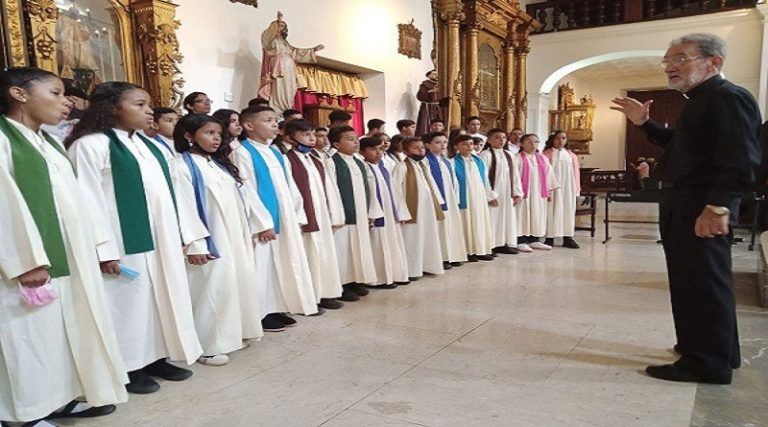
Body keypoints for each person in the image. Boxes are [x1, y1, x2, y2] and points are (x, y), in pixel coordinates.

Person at [610, 33, 761, 384]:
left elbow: (741, 157)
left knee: (703, 282)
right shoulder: (701, 99)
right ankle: (716, 350)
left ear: (714, 62)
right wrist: (643, 123)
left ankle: (706, 363)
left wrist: (719, 206)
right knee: (696, 282)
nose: (669, 66)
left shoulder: (728, 98)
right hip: (688, 201)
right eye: (667, 60)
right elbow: (681, 146)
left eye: (680, 58)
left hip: (702, 203)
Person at [0, 67, 126, 426]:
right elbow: (4, 205)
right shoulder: (4, 139)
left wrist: (96, 244)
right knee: (26, 336)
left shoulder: (49, 142)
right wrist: (25, 260)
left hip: (68, 254)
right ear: (19, 94)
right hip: (27, 263)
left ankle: (58, 398)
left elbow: (76, 199)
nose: (66, 101)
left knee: (60, 332)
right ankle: (23, 414)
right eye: (54, 93)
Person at [67, 81, 208, 394]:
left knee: (160, 299)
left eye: (148, 105)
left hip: (159, 238)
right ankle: (129, 365)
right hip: (122, 240)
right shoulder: (90, 145)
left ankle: (156, 356)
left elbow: (167, 193)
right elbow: (85, 201)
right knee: (128, 303)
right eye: (140, 105)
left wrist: (184, 234)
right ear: (112, 107)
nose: (149, 112)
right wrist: (103, 249)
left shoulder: (148, 145)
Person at [174, 114, 263, 367]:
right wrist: (196, 243)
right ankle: (209, 345)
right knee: (210, 288)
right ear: (189, 136)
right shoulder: (182, 165)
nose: (216, 138)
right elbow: (185, 207)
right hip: (209, 236)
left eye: (218, 133)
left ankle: (232, 334)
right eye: (208, 133)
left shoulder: (218, 164)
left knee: (233, 284)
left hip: (232, 234)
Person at [231, 106, 319, 331]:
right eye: (268, 120)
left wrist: (297, 214)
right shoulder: (242, 152)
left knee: (282, 263)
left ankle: (276, 306)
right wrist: (263, 223)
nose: (274, 124)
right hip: (264, 225)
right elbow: (246, 190)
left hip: (285, 217)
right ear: (249, 126)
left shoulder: (275, 152)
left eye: (275, 120)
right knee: (263, 267)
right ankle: (260, 313)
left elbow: (290, 186)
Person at [283, 119, 345, 310]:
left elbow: (329, 188)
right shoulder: (288, 159)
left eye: (313, 134)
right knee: (309, 255)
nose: (311, 139)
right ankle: (311, 297)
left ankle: (325, 293)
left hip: (321, 215)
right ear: (290, 137)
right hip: (305, 216)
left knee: (325, 255)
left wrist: (334, 215)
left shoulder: (315, 159)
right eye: (306, 135)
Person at [327, 125, 378, 300]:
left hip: (361, 214)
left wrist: (371, 212)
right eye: (349, 139)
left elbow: (368, 188)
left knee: (359, 248)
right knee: (344, 249)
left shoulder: (358, 161)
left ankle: (356, 279)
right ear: (336, 144)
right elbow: (331, 189)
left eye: (356, 138)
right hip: (344, 215)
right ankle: (343, 284)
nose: (355, 142)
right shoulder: (332, 162)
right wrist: (336, 214)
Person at [360, 136, 411, 287]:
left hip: (389, 212)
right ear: (363, 151)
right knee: (377, 244)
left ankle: (394, 274)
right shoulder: (363, 168)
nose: (378, 153)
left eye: (381, 149)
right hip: (376, 215)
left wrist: (399, 212)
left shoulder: (383, 167)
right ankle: (379, 279)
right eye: (373, 149)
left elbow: (394, 191)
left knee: (391, 242)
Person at [392, 136, 445, 279]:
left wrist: (438, 203)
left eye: (422, 147)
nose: (421, 150)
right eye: (415, 148)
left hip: (426, 208)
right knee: (412, 239)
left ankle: (426, 265)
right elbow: (395, 190)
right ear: (406, 151)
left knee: (428, 237)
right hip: (412, 210)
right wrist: (401, 211)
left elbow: (431, 185)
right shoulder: (401, 167)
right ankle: (412, 270)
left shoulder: (423, 165)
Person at [257, 11, 324, 113]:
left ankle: (286, 109)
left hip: (289, 71)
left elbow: (296, 53)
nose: (281, 28)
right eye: (279, 26)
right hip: (278, 70)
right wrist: (279, 20)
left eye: (283, 26)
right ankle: (277, 109)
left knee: (289, 90)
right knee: (279, 89)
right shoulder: (272, 41)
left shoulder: (286, 44)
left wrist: (313, 50)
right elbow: (267, 39)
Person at [424, 131, 467, 268]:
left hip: (450, 198)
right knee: (440, 229)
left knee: (450, 227)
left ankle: (451, 255)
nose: (442, 145)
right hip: (438, 200)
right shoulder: (426, 161)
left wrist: (456, 197)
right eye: (438, 142)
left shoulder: (446, 160)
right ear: (428, 145)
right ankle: (441, 258)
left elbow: (454, 180)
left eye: (444, 142)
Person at [450, 134, 496, 262]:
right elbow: (453, 183)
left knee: (480, 222)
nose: (469, 146)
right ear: (457, 147)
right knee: (467, 223)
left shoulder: (479, 161)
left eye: (471, 143)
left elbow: (485, 180)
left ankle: (481, 250)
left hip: (479, 197)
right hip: (465, 197)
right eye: (465, 144)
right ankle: (468, 251)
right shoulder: (453, 162)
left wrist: (490, 195)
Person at [479, 129, 522, 255]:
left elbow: (515, 175)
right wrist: (490, 195)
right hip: (494, 193)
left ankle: (502, 243)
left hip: (506, 193)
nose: (502, 140)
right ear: (489, 140)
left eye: (503, 137)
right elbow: (483, 177)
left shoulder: (510, 155)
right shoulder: (485, 155)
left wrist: (516, 192)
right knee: (492, 218)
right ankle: (490, 245)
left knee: (505, 218)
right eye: (497, 137)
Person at [514, 133, 558, 252]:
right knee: (522, 215)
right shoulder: (517, 158)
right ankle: (520, 240)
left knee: (537, 215)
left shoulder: (543, 158)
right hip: (524, 194)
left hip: (538, 193)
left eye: (536, 142)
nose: (533, 144)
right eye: (529, 142)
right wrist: (516, 192)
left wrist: (548, 192)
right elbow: (514, 177)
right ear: (522, 144)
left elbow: (549, 176)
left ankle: (534, 240)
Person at [543, 130, 581, 249]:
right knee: (551, 211)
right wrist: (546, 189)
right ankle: (549, 237)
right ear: (552, 140)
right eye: (558, 138)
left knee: (568, 211)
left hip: (568, 188)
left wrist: (576, 189)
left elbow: (576, 173)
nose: (561, 141)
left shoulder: (571, 155)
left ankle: (568, 237)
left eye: (563, 138)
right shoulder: (546, 154)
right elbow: (543, 173)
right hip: (552, 188)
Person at [416, 70, 443, 136]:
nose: (436, 76)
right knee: (425, 123)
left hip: (437, 107)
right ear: (428, 75)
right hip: (427, 107)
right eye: (434, 74)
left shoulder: (439, 84)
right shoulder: (424, 84)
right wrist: (429, 92)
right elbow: (420, 96)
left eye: (436, 74)